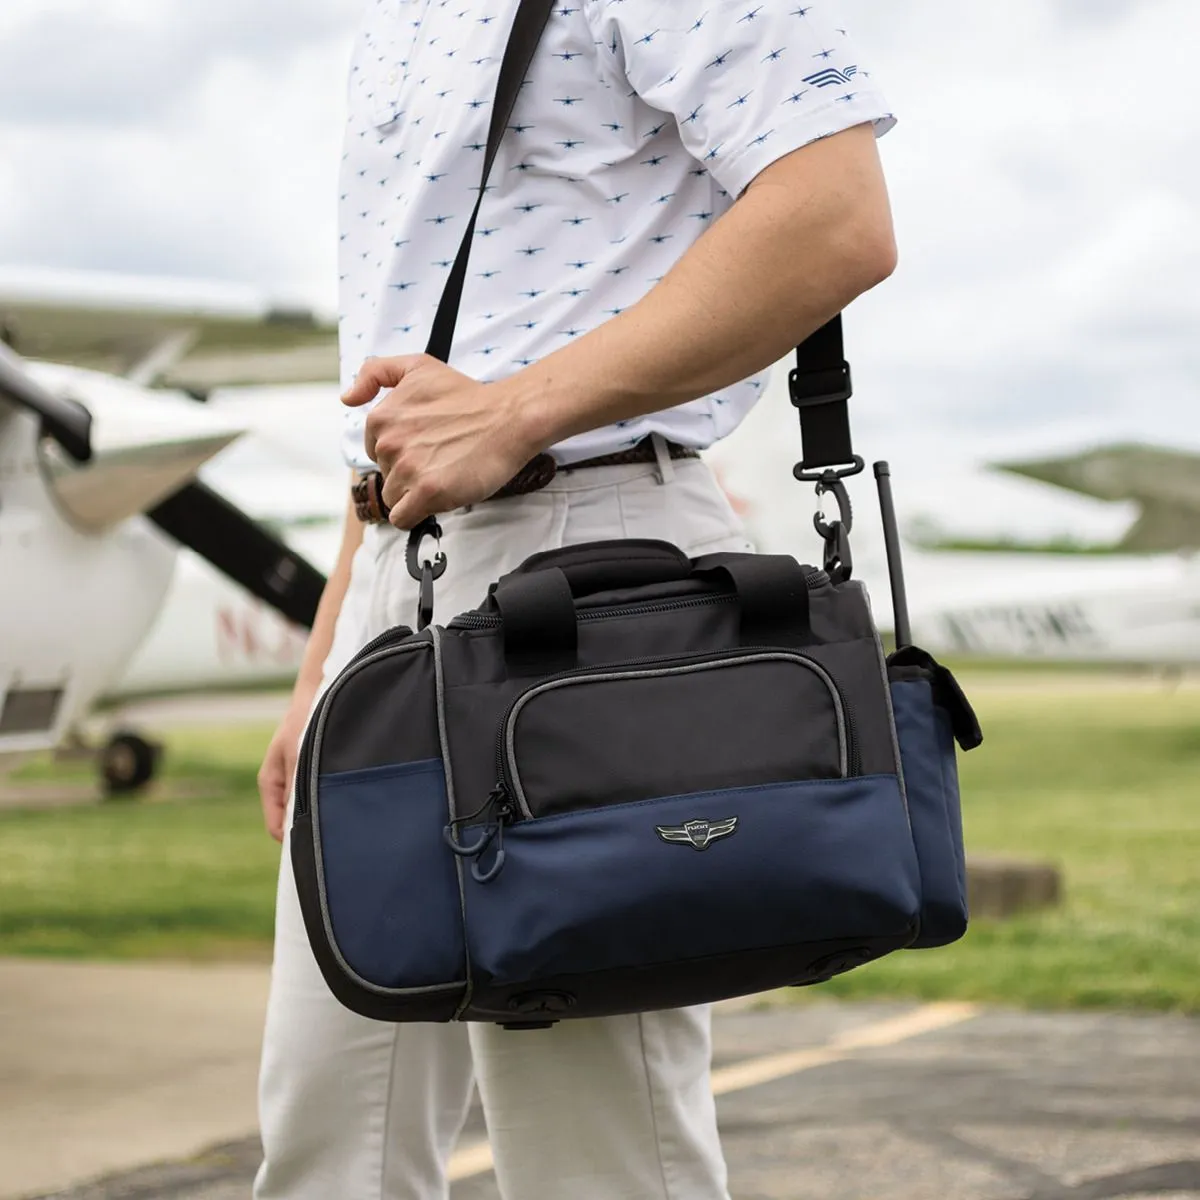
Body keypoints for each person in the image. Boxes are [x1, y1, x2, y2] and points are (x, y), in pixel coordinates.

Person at [254, 2, 897, 1196]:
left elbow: (836, 216)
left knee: (592, 1152)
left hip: (590, 568)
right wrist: (326, 671)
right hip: (401, 574)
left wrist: (514, 410)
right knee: (328, 1142)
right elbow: (409, 407)